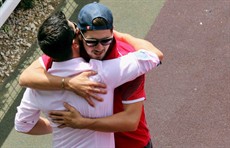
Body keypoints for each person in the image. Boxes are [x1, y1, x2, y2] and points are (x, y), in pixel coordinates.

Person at [19, 2, 163, 148]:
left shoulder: (125, 58)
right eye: (92, 42)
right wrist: (68, 83)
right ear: (78, 37)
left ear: (112, 33)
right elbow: (25, 77)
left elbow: (131, 121)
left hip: (131, 143)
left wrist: (82, 123)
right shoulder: (68, 52)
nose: (99, 48)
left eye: (106, 40)